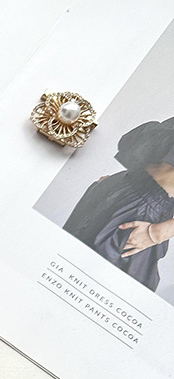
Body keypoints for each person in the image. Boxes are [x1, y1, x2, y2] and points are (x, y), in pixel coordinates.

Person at [63, 117, 174, 292]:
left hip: (140, 216)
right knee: (64, 264)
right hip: (120, 189)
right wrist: (122, 183)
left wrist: (156, 233)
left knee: (99, 289)